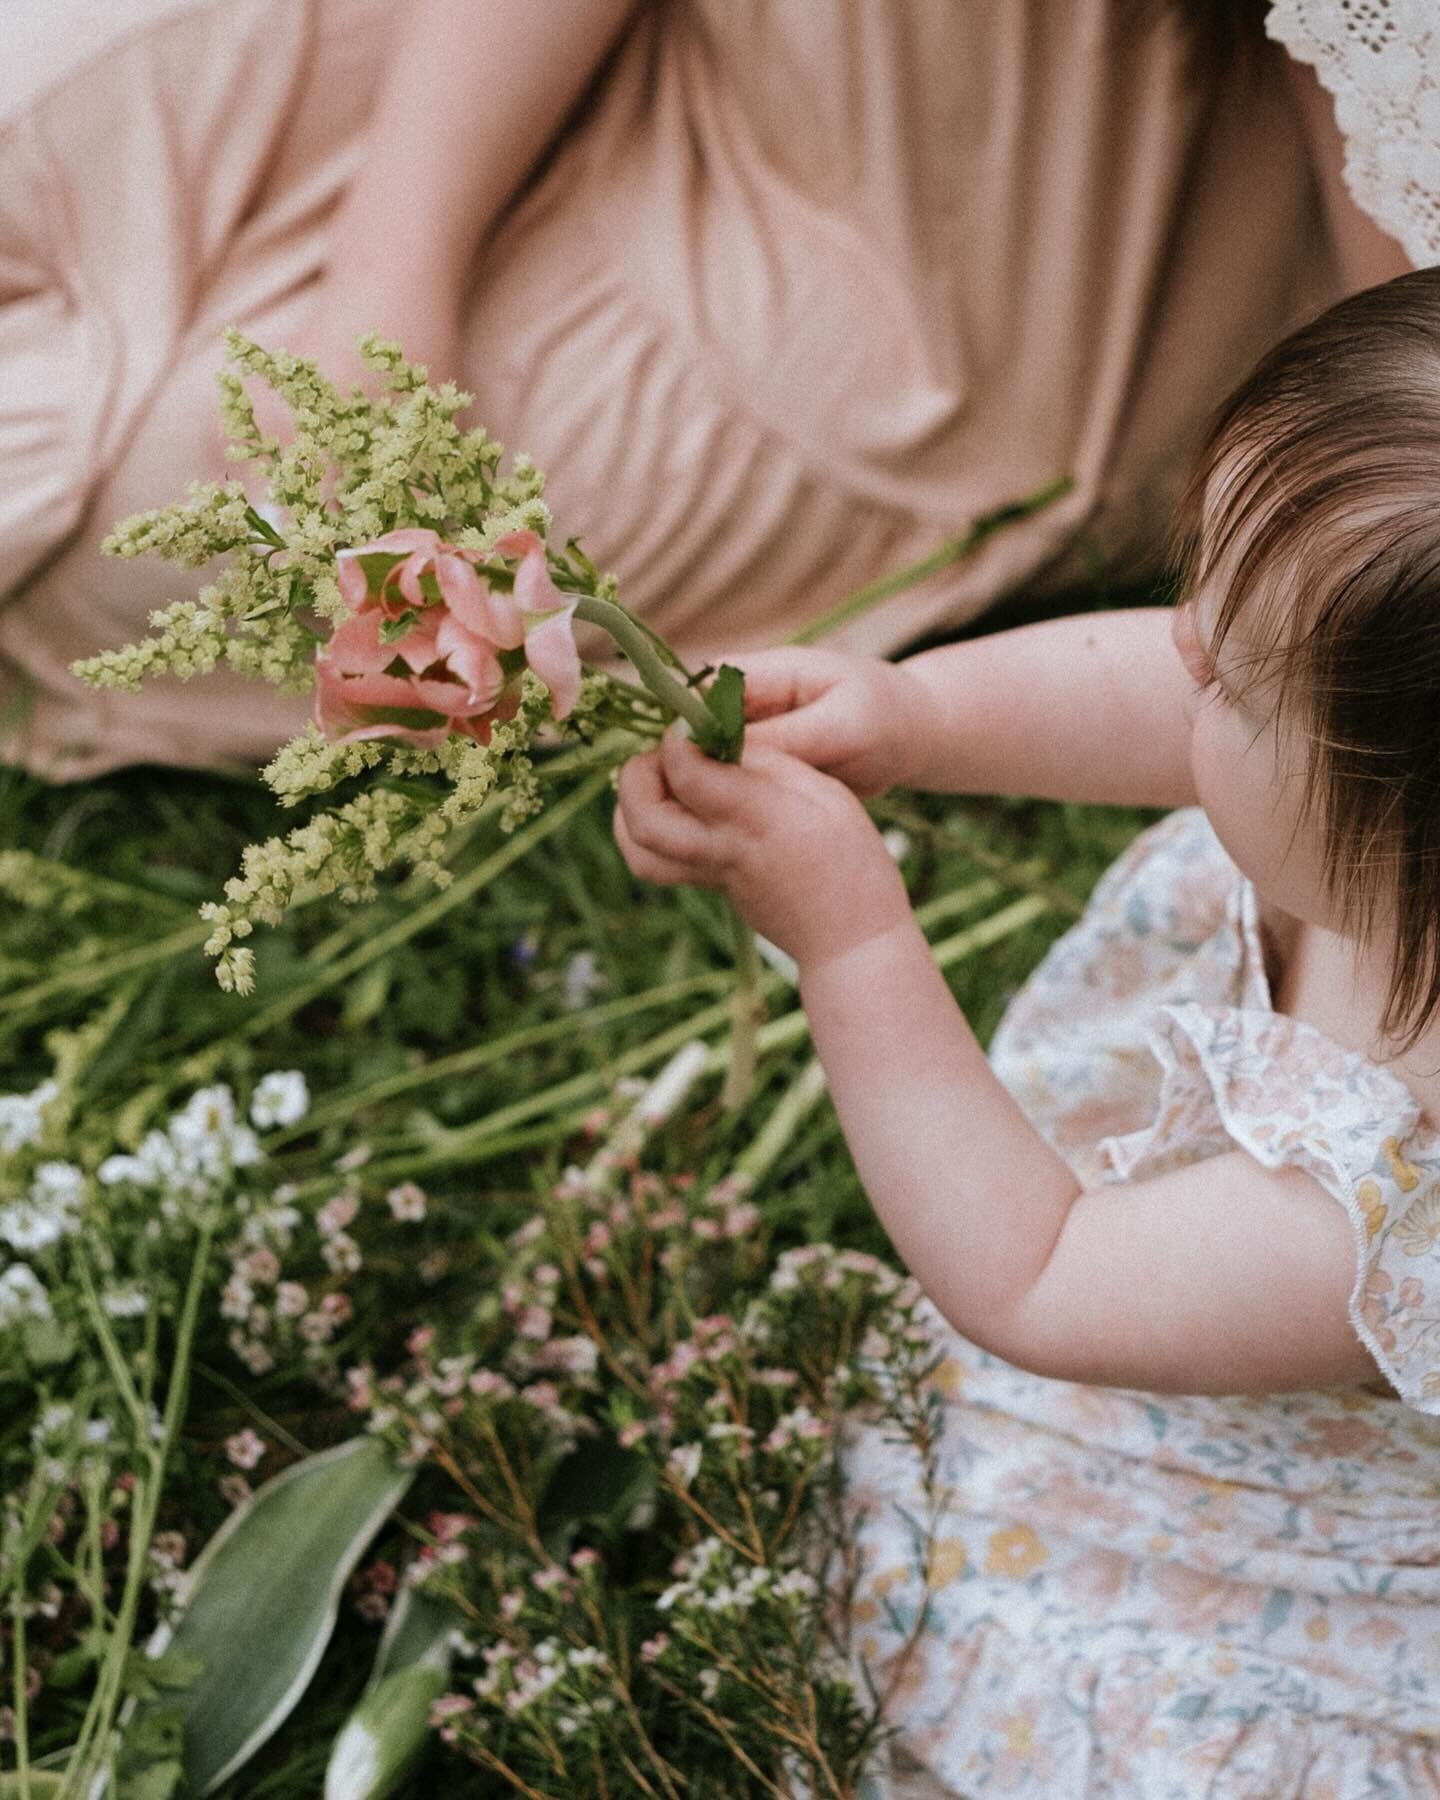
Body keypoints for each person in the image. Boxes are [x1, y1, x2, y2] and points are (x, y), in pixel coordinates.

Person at [613, 268, 1440, 1794]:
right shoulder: (1373, 813)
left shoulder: (1385, 1214)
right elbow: (1158, 683)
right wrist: (916, 716)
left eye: (1238, 681)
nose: (1181, 649)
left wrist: (852, 937)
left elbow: (1040, 1274)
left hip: (1270, 1521)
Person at [0, 0, 1391, 780]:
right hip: (674, 41)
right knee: (47, 128)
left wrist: (1317, 585)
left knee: (142, 531)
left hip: (917, 315)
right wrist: (389, 287)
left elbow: (1403, 370)